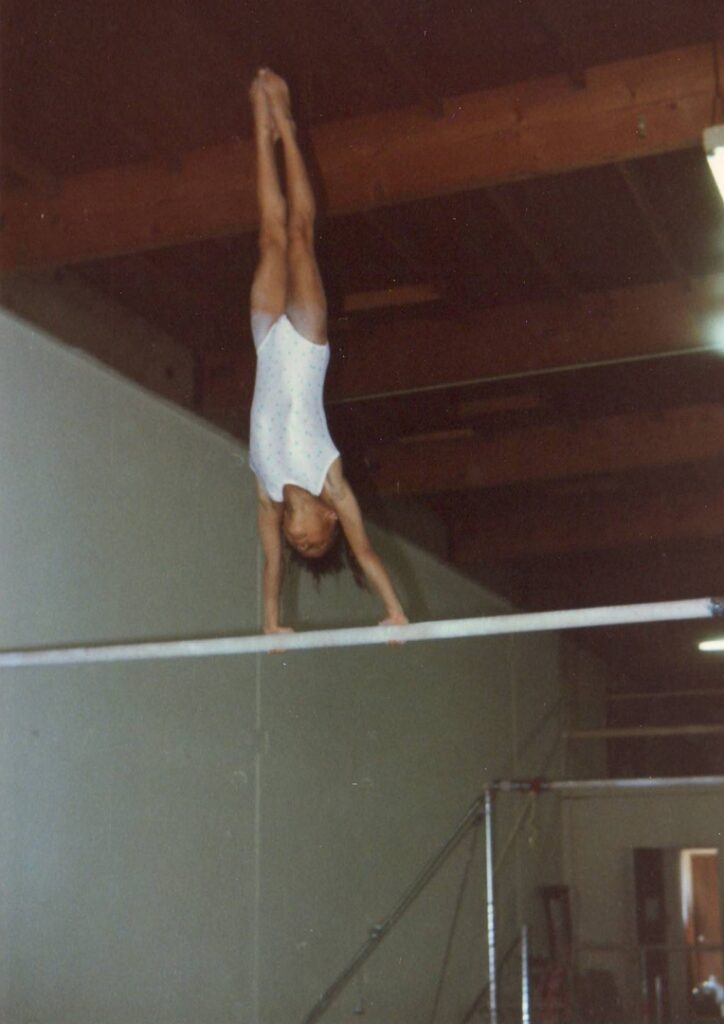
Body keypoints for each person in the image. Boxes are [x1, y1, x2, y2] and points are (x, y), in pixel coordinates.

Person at [248, 69, 408, 637]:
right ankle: (288, 131)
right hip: (307, 340)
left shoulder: (267, 497)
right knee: (298, 233)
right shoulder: (331, 480)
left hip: (267, 341)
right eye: (315, 539)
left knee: (268, 234)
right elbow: (365, 555)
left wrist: (270, 624)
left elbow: (270, 566)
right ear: (330, 519)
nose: (299, 540)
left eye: (300, 546)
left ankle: (259, 124)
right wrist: (393, 613)